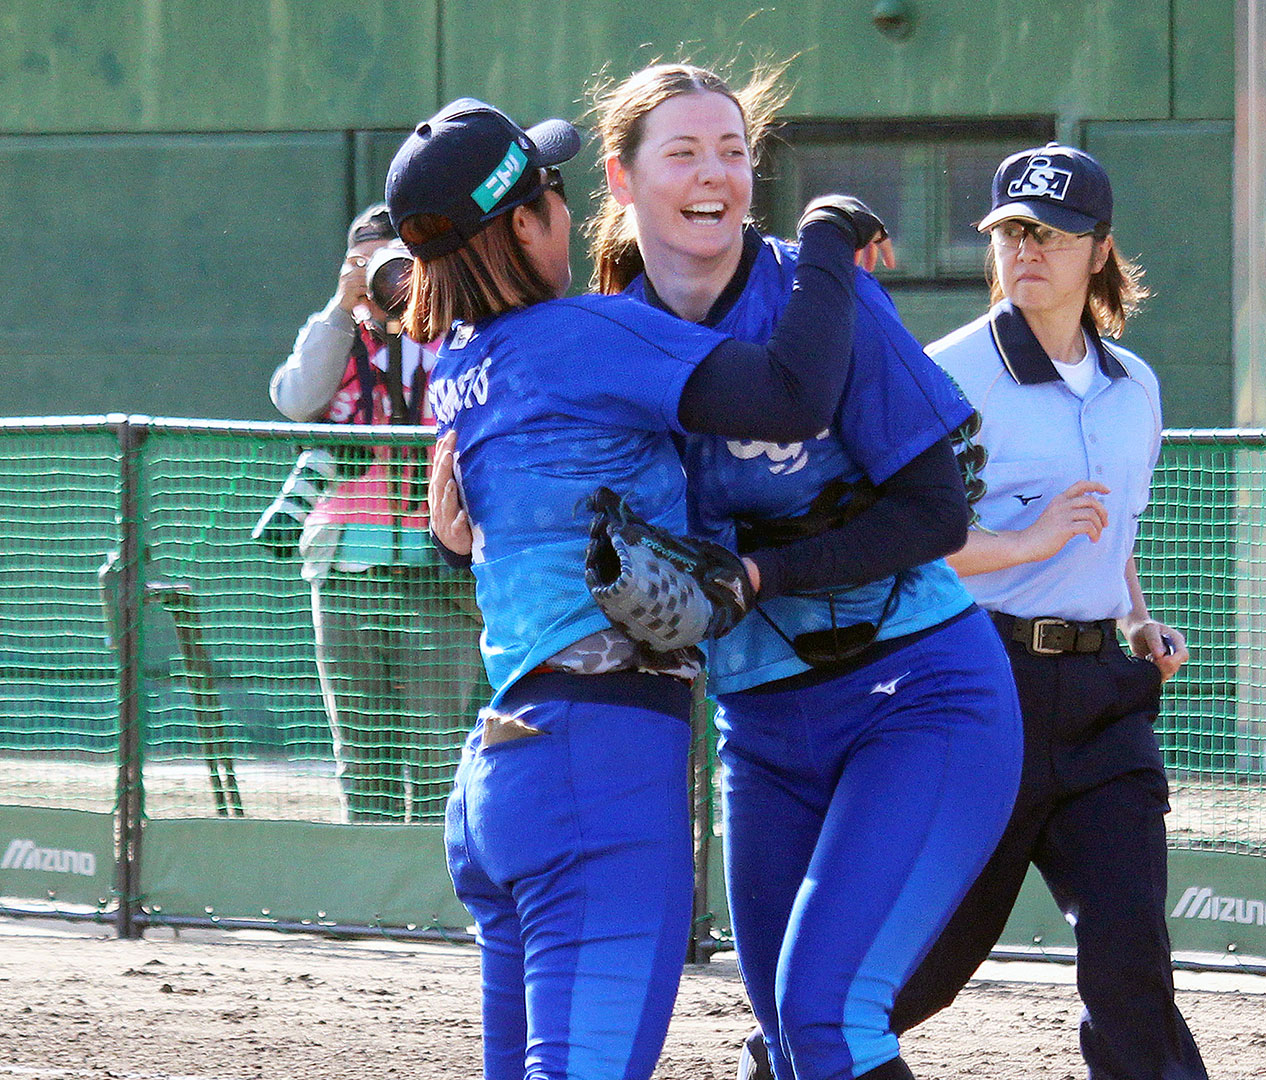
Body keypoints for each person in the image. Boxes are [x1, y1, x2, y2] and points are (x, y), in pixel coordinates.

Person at [386, 95, 890, 1080]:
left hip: (501, 777)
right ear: (520, 226)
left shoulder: (459, 363)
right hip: (597, 763)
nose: (568, 211)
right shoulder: (587, 335)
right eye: (551, 193)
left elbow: (481, 537)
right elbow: (793, 398)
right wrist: (829, 243)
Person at [591, 64, 1024, 1080]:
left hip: (921, 694)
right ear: (621, 178)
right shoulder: (608, 337)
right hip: (761, 726)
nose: (715, 173)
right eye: (683, 152)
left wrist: (760, 573)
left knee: (828, 1019)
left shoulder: (816, 294)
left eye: (733, 151)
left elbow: (936, 513)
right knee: (788, 1041)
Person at [880, 143, 1206, 1079]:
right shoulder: (946, 375)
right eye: (1013, 231)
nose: (1027, 249)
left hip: (1106, 697)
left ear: (1099, 252)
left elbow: (1116, 527)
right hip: (981, 689)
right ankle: (788, 1053)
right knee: (927, 965)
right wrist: (1028, 541)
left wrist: (1137, 621)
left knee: (1132, 962)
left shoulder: (1135, 386)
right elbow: (900, 538)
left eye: (1053, 234)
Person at [268, 203, 485, 823]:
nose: (382, 278)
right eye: (365, 264)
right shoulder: (338, 335)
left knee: (439, 747)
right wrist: (341, 309)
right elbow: (296, 398)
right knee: (362, 751)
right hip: (345, 568)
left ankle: (437, 877)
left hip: (435, 569)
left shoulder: (460, 332)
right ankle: (370, 870)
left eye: (397, 264)